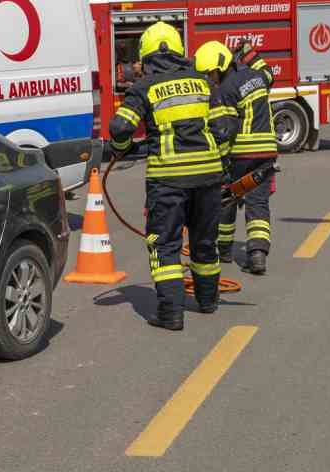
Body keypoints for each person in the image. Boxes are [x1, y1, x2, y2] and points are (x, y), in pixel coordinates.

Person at [106, 21, 225, 331]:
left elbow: (120, 128)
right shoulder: (202, 83)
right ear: (178, 51)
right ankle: (208, 301)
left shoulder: (144, 88)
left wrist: (123, 148)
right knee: (204, 240)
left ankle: (171, 314)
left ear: (147, 57)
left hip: (169, 179)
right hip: (209, 177)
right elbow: (225, 129)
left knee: (166, 245)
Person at [198, 40, 278, 275]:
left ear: (220, 68)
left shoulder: (224, 91)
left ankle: (223, 250)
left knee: (227, 200)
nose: (210, 79)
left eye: (211, 74)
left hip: (241, 153)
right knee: (258, 203)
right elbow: (268, 72)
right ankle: (257, 256)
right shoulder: (259, 77)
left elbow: (225, 132)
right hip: (266, 152)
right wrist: (251, 54)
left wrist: (220, 163)